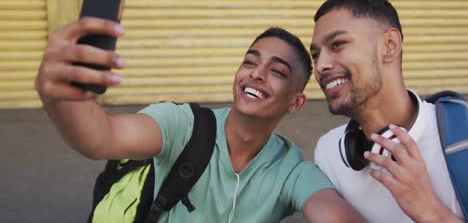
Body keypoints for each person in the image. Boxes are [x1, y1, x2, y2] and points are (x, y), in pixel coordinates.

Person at [35, 18, 364, 222]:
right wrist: (62, 97)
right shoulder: (183, 126)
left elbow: (333, 214)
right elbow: (100, 137)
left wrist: (419, 208)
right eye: (250, 62)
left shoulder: (290, 170)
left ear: (296, 102)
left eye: (277, 71)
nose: (257, 75)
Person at [310, 0, 465, 222]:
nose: (320, 66)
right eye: (315, 56)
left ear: (390, 45)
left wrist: (430, 211)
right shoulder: (329, 153)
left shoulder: (462, 137)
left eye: (337, 44)